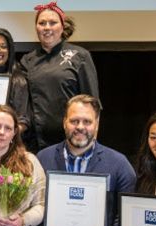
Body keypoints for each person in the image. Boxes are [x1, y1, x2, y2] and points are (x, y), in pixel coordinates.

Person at [36, 94, 136, 226]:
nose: (80, 126)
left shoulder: (119, 164)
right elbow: (36, 202)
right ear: (64, 123)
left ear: (97, 125)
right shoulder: (43, 159)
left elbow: (127, 213)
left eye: (87, 121)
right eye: (74, 121)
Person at [21, 1, 99, 151]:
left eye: (52, 22)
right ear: (36, 28)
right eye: (42, 23)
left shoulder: (80, 56)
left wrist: (92, 141)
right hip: (36, 143)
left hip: (74, 139)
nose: (47, 27)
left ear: (62, 27)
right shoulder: (28, 60)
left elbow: (94, 104)